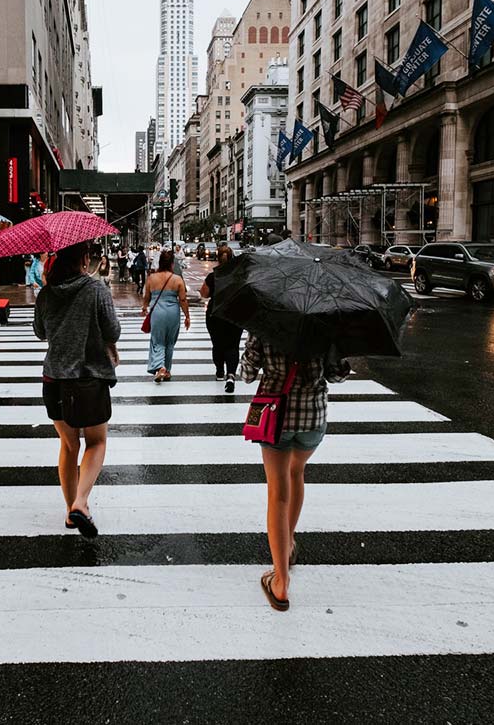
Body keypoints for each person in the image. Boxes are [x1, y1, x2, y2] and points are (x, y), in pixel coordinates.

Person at [240, 334, 349, 611]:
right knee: (297, 472)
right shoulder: (324, 325)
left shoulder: (264, 325)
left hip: (275, 415)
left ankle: (280, 581)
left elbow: (247, 374)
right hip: (313, 416)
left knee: (277, 492)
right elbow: (337, 375)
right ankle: (288, 544)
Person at [33, 242, 121, 539]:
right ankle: (81, 503)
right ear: (84, 258)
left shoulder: (46, 293)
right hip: (88, 379)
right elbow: (113, 331)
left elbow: (40, 332)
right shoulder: (96, 289)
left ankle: (70, 510)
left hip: (53, 379)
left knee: (69, 446)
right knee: (96, 443)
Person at [141, 249, 190, 383]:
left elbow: (147, 296)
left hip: (157, 311)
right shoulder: (177, 279)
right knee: (170, 342)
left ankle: (160, 367)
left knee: (157, 341)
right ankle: (167, 370)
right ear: (171, 264)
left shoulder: (152, 278)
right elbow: (183, 300)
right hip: (173, 312)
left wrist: (145, 307)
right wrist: (187, 316)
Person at [200, 244, 241, 392]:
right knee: (233, 345)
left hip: (215, 315)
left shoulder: (213, 276)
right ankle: (231, 374)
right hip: (235, 314)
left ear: (217, 259)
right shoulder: (238, 277)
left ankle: (219, 371)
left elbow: (204, 294)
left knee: (217, 344)